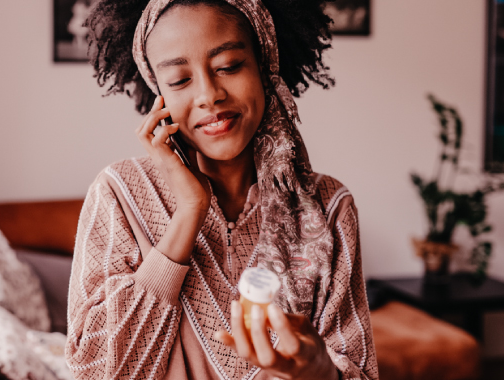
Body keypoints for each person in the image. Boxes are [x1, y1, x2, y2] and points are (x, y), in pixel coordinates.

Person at [65, 0, 378, 379]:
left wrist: (323, 372)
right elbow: (94, 371)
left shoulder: (328, 207)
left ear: (264, 67)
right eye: (180, 80)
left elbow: (359, 370)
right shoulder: (118, 194)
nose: (209, 94)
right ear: (158, 95)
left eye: (228, 66)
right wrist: (188, 213)